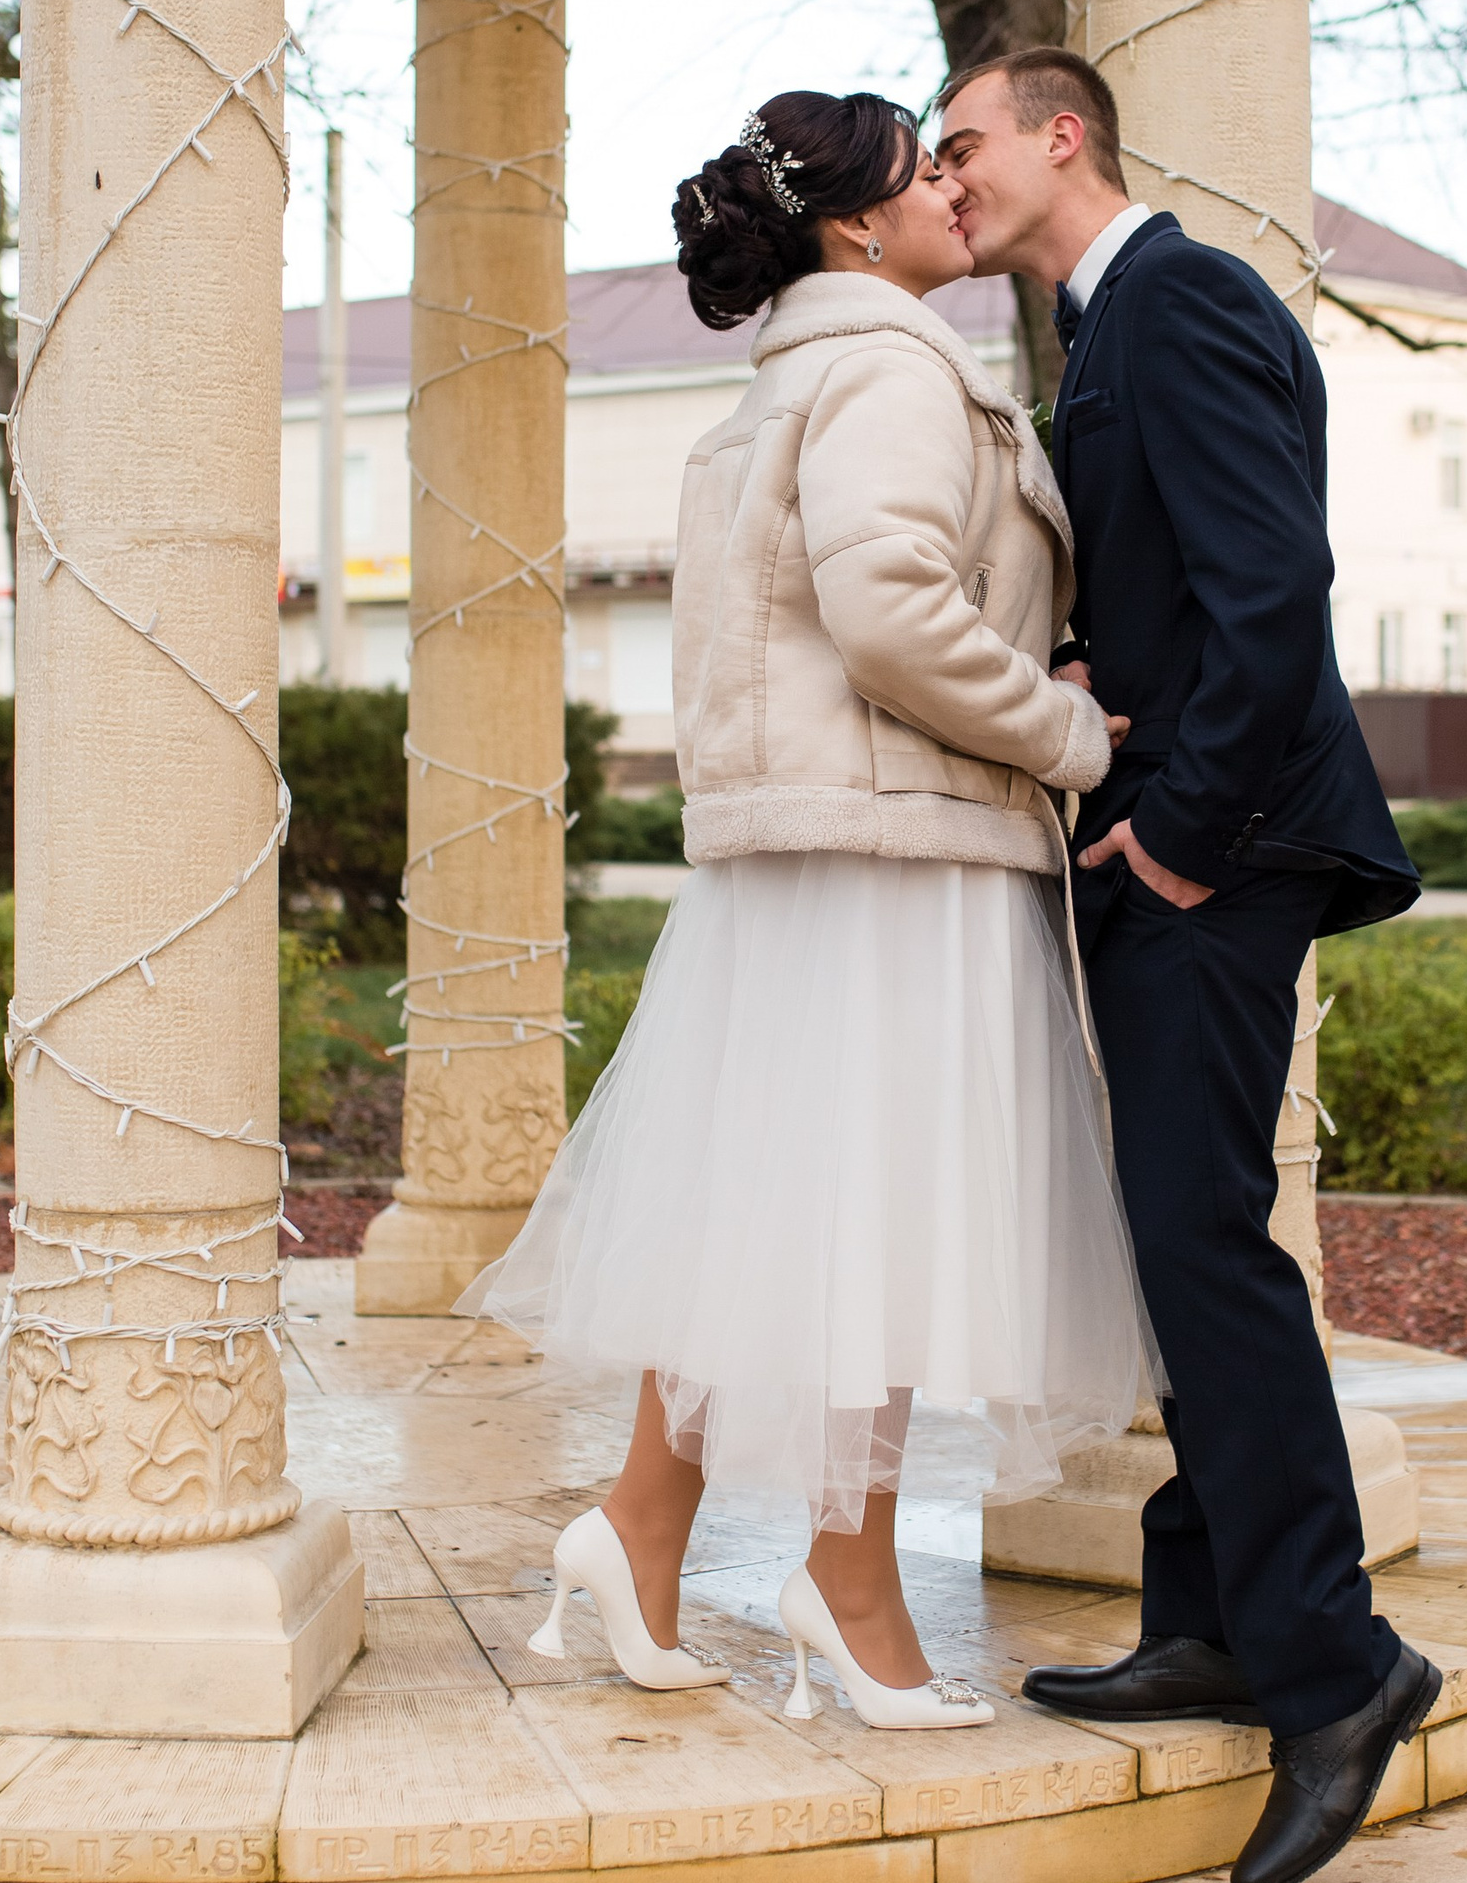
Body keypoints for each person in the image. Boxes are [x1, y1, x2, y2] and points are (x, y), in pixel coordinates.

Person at [467, 88, 1153, 1730]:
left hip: (808, 860)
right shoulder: (896, 373)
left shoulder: (782, 385)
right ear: (858, 224)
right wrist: (1064, 732)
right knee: (881, 1219)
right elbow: (890, 607)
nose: (952, 191)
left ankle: (641, 1533)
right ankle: (845, 1587)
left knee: (771, 1210)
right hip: (896, 853)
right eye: (926, 172)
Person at [936, 45, 1434, 1883]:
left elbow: (1269, 587)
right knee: (1193, 1238)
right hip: (1175, 836)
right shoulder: (1100, 326)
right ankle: (1215, 1616)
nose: (953, 176)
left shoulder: (1188, 296)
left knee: (1203, 1245)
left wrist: (1182, 833)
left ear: (1066, 135)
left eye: (970, 143)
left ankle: (1338, 1672)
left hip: (1220, 854)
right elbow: (1166, 591)